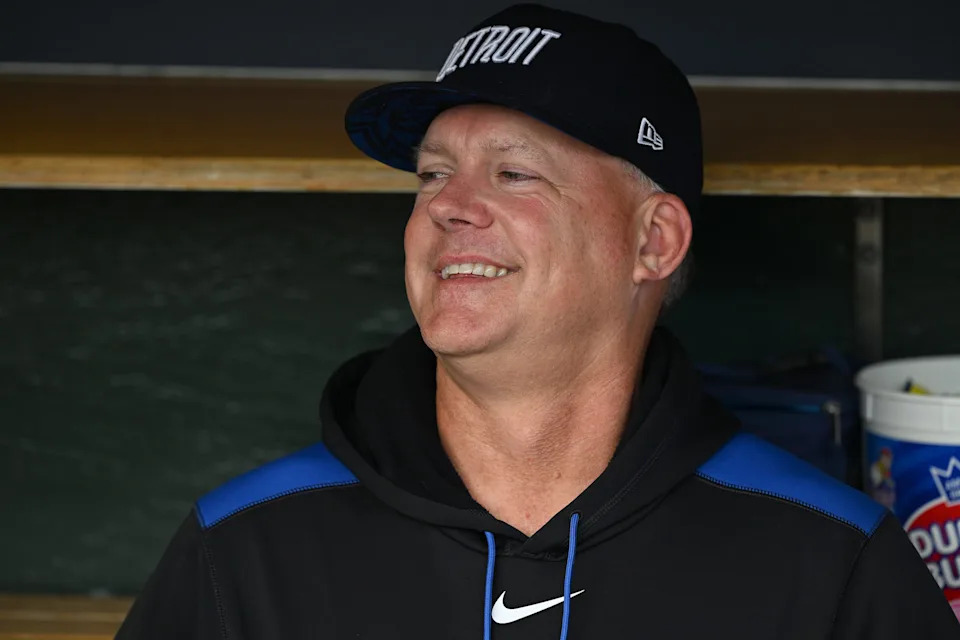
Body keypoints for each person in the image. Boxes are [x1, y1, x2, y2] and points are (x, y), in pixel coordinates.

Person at [116, 4, 960, 638]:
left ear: (652, 240)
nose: (449, 207)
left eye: (514, 174)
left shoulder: (828, 558)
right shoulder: (247, 543)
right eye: (432, 174)